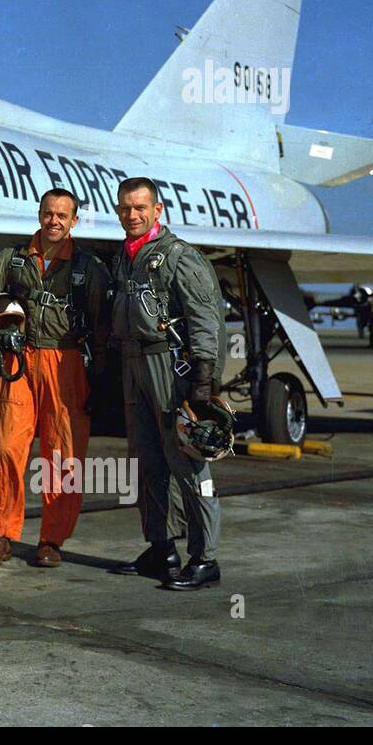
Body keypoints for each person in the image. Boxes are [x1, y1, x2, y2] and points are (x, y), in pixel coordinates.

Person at [0, 188, 110, 568]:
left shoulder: (87, 268)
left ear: (74, 220)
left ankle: (52, 540)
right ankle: (1, 535)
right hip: (19, 360)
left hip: (68, 363)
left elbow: (105, 328)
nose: (54, 221)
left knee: (63, 457)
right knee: (10, 450)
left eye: (62, 216)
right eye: (48, 214)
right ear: (39, 215)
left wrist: (102, 381)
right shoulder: (11, 260)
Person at [108, 177, 228, 590]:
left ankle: (205, 557)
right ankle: (162, 548)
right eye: (125, 208)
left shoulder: (180, 257)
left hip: (170, 366)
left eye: (140, 208)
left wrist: (204, 380)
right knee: (146, 461)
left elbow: (204, 318)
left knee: (188, 459)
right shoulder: (125, 256)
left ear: (157, 210)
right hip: (134, 364)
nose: (132, 215)